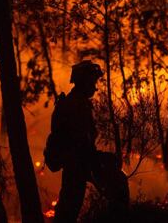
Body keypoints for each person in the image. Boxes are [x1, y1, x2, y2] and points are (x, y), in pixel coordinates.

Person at [52, 60, 129, 223]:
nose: (95, 86)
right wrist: (97, 162)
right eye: (92, 81)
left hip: (80, 161)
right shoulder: (75, 105)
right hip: (77, 162)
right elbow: (80, 142)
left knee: (69, 206)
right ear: (83, 81)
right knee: (69, 208)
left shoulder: (78, 102)